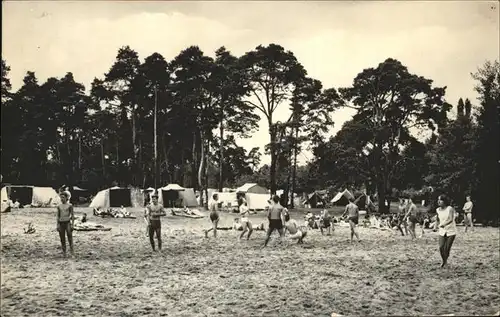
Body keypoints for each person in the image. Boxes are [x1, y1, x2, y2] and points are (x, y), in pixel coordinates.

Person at [436, 194, 457, 268]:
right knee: (441, 247)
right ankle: (444, 261)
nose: (438, 201)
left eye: (440, 200)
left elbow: (451, 219)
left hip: (451, 231)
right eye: (438, 199)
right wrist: (435, 225)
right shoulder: (437, 210)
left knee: (447, 248)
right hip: (442, 231)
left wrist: (443, 224)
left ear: (444, 201)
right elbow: (437, 219)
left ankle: (445, 262)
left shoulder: (449, 208)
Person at [56, 191, 74, 257]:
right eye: (61, 197)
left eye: (63, 197)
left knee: (70, 237)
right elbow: (58, 216)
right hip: (61, 223)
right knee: (62, 238)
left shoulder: (70, 205)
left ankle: (72, 252)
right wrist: (57, 224)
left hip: (67, 223)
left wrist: (72, 224)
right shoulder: (59, 206)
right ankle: (64, 253)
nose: (62, 199)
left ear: (66, 198)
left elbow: (72, 215)